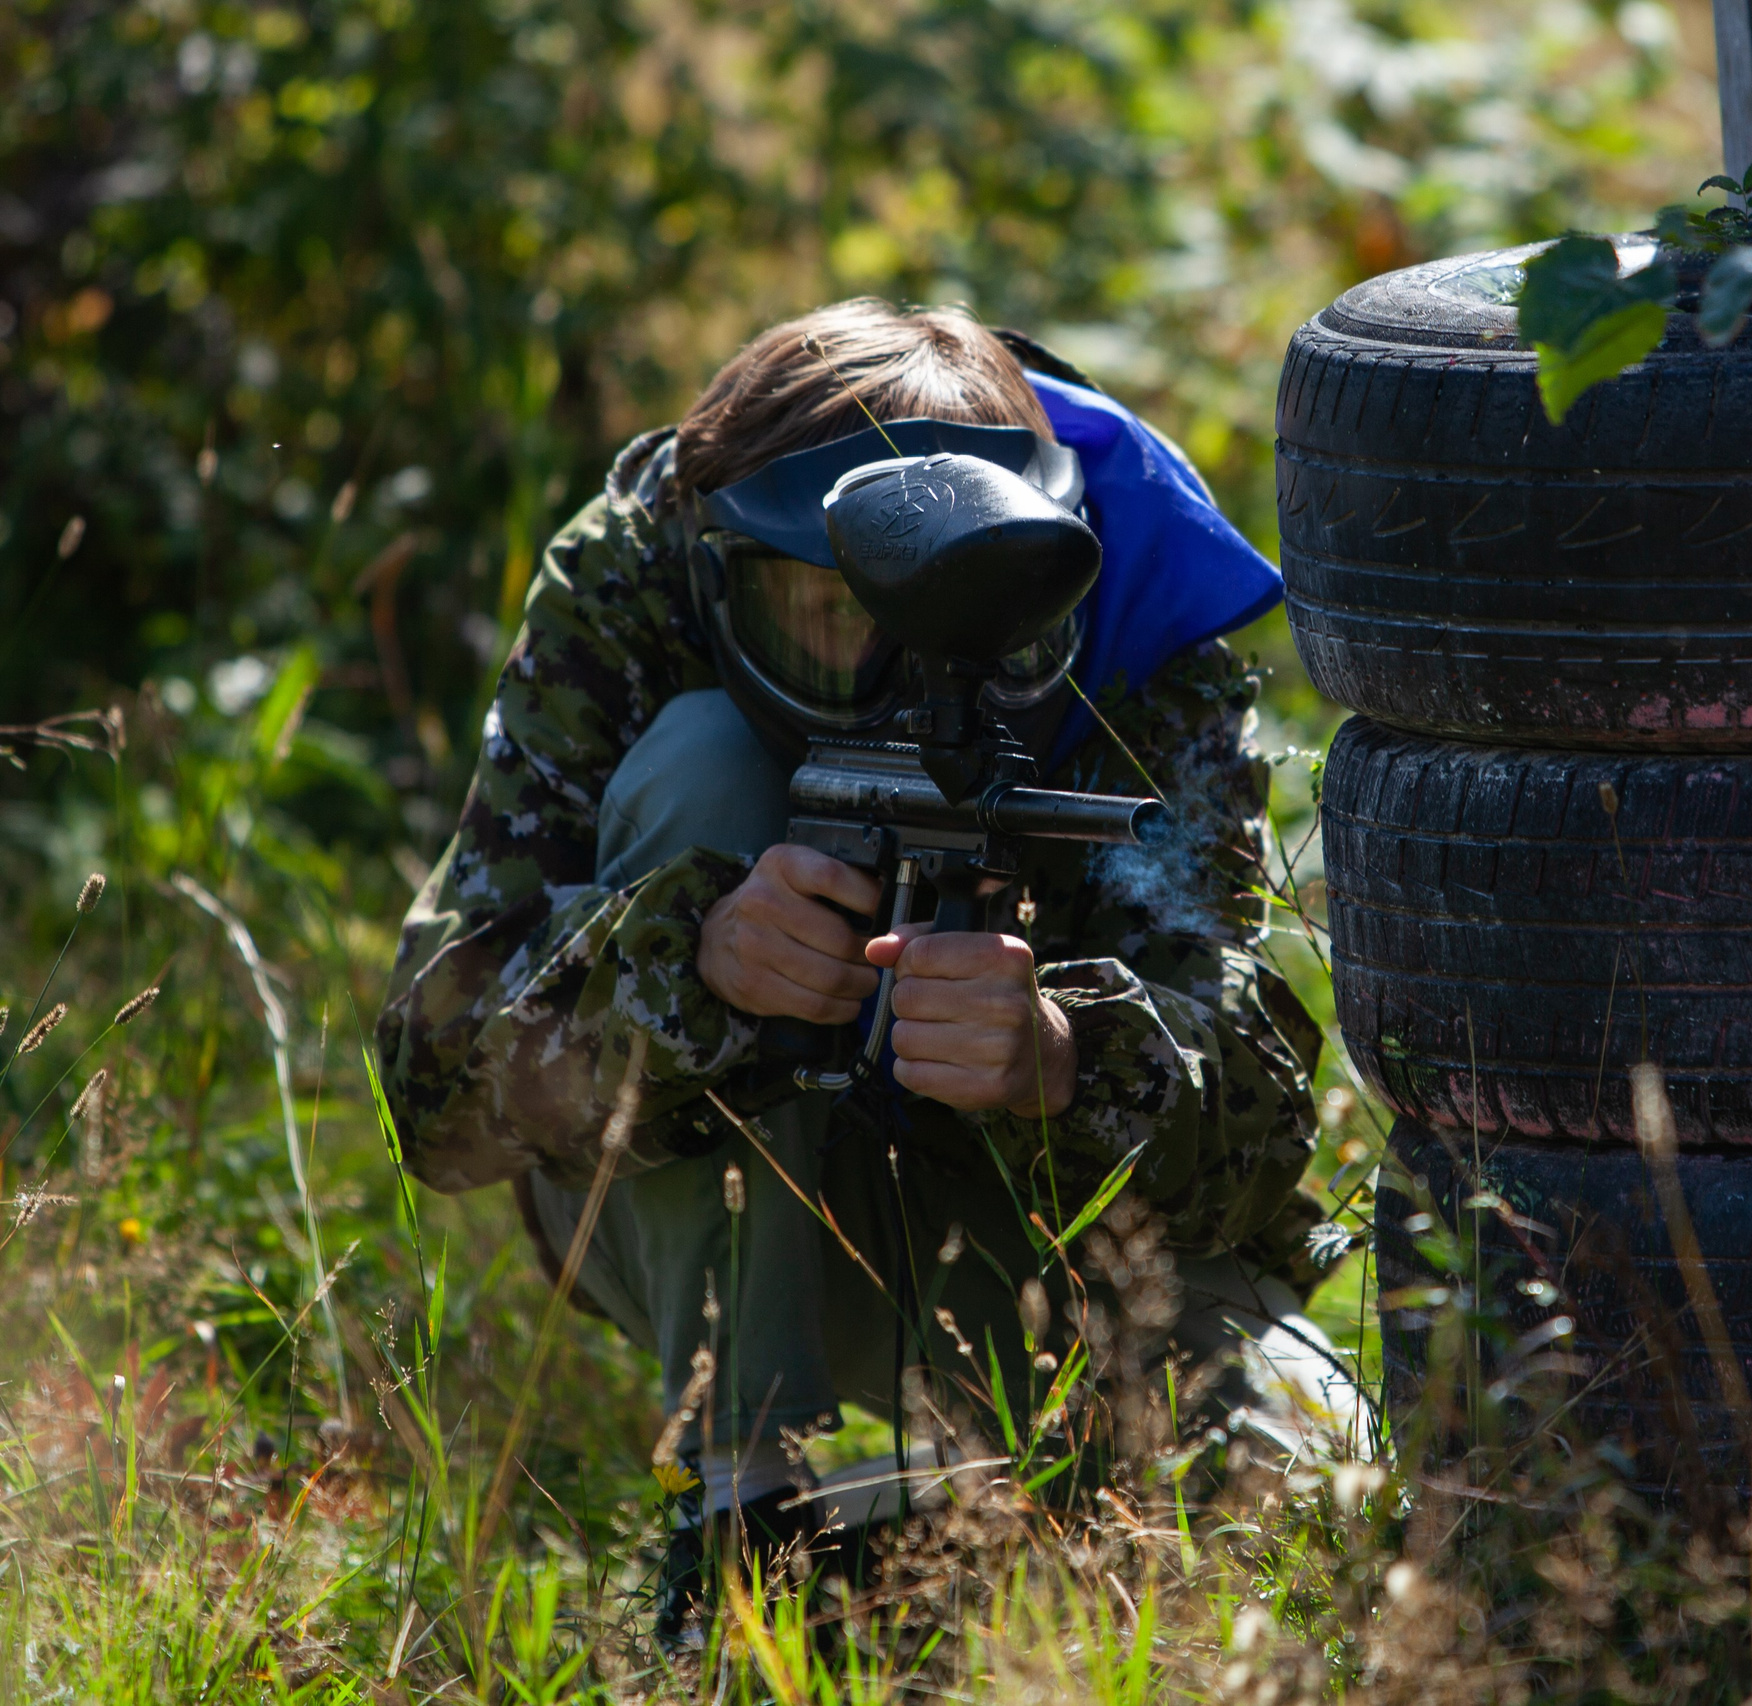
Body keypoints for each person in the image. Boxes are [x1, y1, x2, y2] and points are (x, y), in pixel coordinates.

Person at [372, 300, 1356, 1638]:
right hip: (684, 1219)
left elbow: (1257, 1124)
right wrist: (692, 966)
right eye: (829, 611)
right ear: (730, 574)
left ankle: (959, 1492)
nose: (893, 674)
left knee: (1326, 1492)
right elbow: (435, 1091)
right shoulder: (648, 567)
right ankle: (747, 1517)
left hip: (1036, 1235)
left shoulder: (1131, 609)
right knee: (704, 761)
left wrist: (1058, 1057)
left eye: (956, 628)